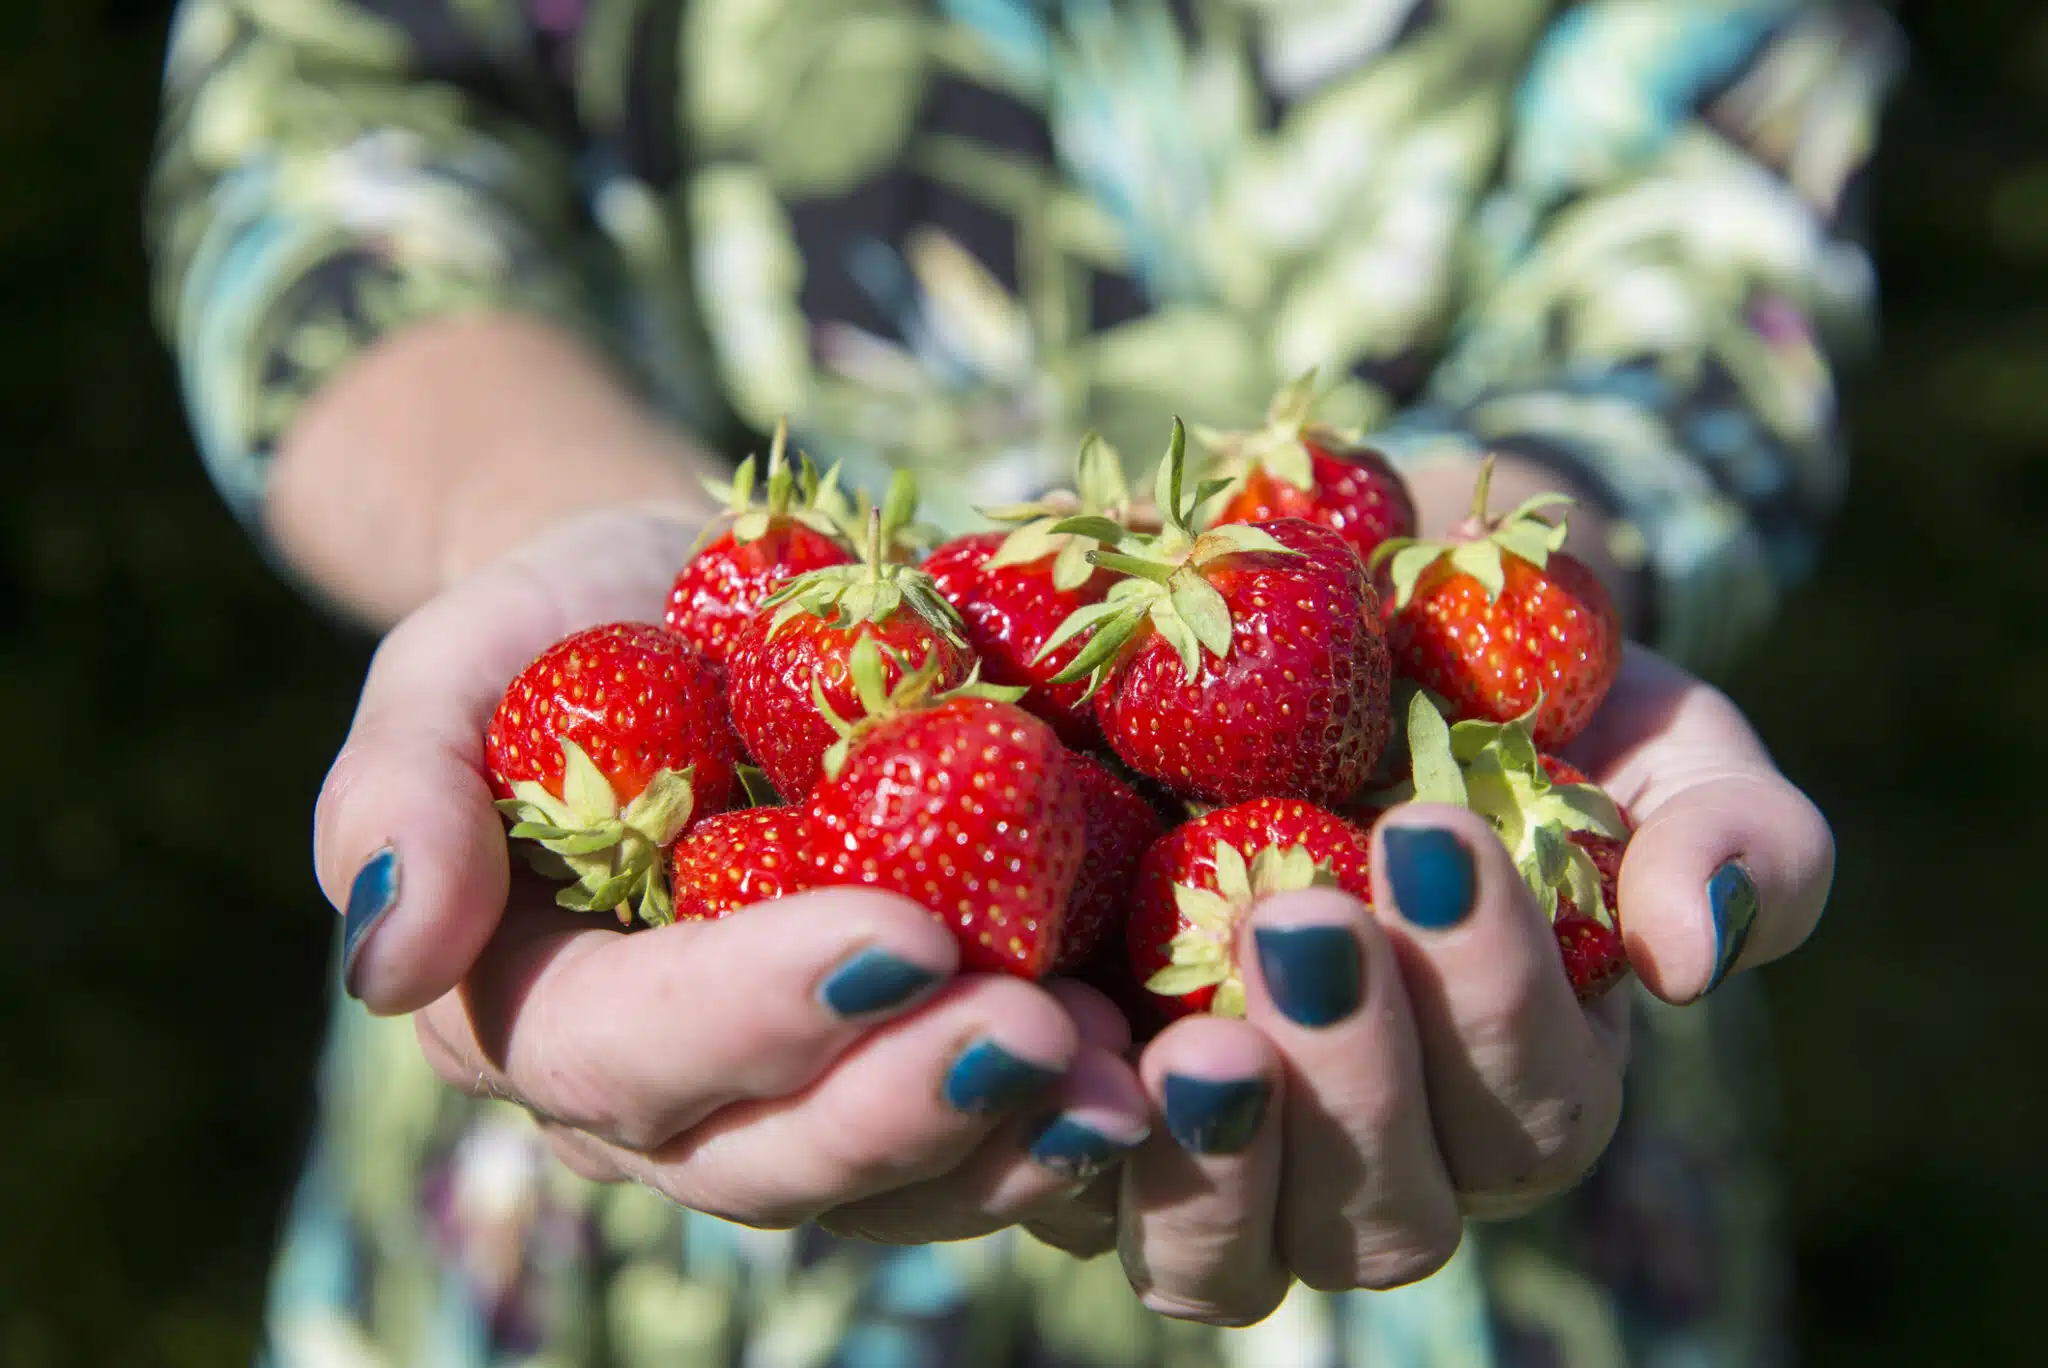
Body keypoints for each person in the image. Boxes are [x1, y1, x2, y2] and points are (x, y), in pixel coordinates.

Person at [147, 2, 1898, 1364]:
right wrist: (561, 530)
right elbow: (320, 132)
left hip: (1448, 1123)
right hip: (620, 1205)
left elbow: (1716, 245)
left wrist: (1469, 579)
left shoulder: (1280, 659)